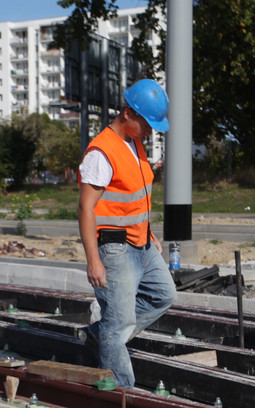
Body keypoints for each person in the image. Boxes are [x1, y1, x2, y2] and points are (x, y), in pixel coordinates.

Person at [76, 79, 176, 388]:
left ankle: (100, 336)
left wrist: (149, 232)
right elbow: (85, 208)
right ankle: (121, 394)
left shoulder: (135, 143)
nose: (152, 130)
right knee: (119, 325)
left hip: (142, 243)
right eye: (147, 123)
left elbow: (136, 195)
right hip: (114, 249)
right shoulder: (101, 153)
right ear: (129, 113)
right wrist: (93, 260)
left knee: (164, 295)